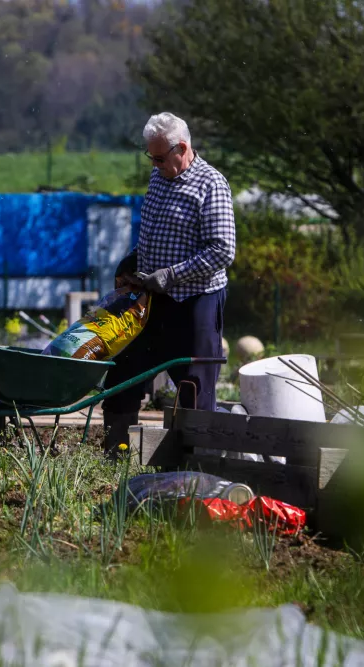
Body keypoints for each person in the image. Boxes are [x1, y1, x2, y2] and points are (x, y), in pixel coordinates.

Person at [102, 112, 236, 456]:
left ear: (182, 148)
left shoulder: (212, 184)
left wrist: (171, 275)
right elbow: (153, 234)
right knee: (124, 369)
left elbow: (222, 250)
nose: (155, 163)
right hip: (151, 297)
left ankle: (198, 459)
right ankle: (115, 451)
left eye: (160, 157)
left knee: (193, 384)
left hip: (196, 300)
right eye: (152, 156)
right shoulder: (159, 178)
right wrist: (134, 259)